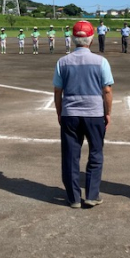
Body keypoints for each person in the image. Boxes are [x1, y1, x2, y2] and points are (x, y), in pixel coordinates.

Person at [53, 20, 114, 209]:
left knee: (71, 155)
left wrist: (60, 112)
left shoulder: (62, 62)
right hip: (94, 113)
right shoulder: (101, 61)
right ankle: (92, 195)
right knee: (95, 152)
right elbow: (107, 91)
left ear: (73, 39)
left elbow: (58, 92)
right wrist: (108, 113)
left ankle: (73, 198)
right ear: (91, 39)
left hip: (70, 113)